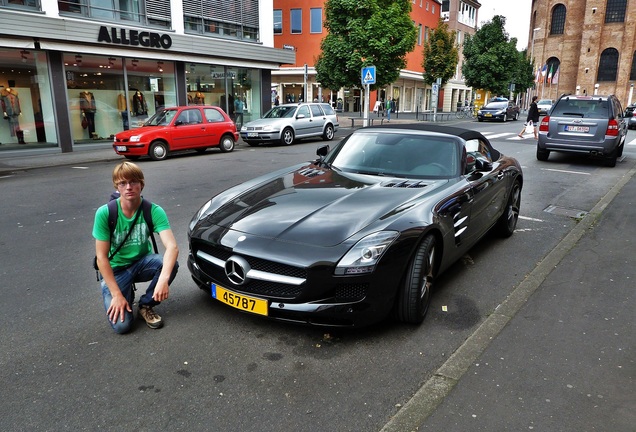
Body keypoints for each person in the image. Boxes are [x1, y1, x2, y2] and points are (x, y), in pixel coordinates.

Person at [93, 161, 179, 334]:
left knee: (169, 265)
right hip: (116, 270)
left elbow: (172, 247)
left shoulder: (152, 210)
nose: (128, 187)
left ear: (141, 184)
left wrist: (163, 279)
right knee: (122, 327)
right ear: (117, 186)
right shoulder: (105, 213)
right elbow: (101, 258)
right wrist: (117, 295)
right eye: (122, 183)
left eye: (133, 182)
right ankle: (123, 294)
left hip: (141, 263)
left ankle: (146, 304)